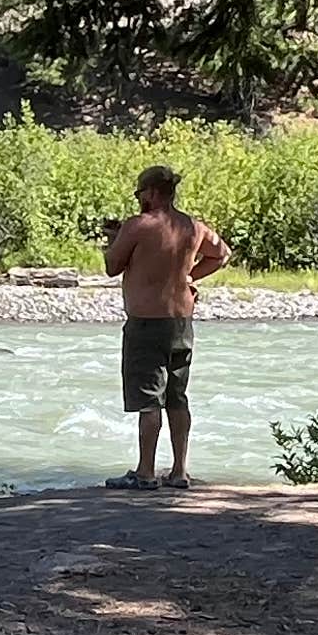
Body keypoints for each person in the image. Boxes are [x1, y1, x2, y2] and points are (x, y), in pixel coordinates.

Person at [102, 166, 230, 488]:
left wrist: (113, 239)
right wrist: (190, 277)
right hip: (180, 324)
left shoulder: (137, 226)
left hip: (146, 324)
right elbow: (222, 254)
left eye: (140, 194)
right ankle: (179, 471)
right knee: (177, 397)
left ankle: (145, 472)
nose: (139, 200)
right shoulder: (192, 227)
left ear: (153, 192)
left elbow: (111, 267)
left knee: (149, 400)